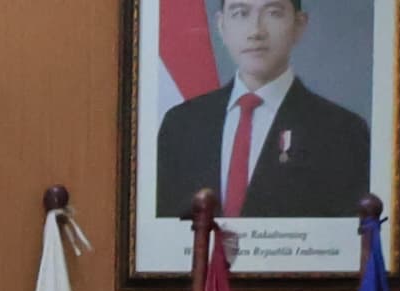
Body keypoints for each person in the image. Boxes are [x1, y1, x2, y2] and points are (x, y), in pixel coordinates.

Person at [150, 0, 371, 222]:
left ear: (299, 25)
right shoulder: (180, 124)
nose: (255, 31)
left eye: (273, 13)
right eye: (240, 13)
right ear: (221, 26)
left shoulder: (343, 133)